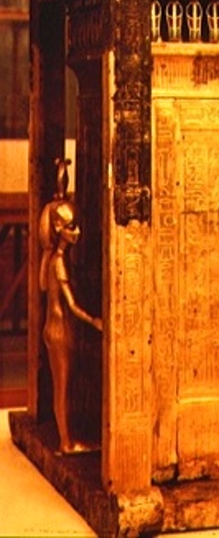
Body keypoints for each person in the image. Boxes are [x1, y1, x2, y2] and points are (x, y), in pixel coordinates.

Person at [39, 161, 102, 454]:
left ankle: (68, 436)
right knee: (62, 387)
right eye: (71, 227)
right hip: (60, 330)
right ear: (58, 228)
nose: (77, 232)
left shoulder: (54, 259)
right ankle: (66, 442)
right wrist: (95, 321)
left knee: (66, 385)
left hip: (58, 329)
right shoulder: (59, 262)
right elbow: (73, 305)